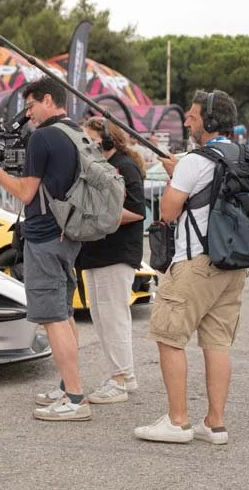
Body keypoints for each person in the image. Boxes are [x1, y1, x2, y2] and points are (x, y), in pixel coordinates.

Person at [134, 90, 247, 445]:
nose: (186, 122)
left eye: (193, 116)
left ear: (209, 122)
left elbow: (168, 212)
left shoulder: (195, 161)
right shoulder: (242, 155)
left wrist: (175, 176)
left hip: (195, 262)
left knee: (168, 337)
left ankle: (177, 421)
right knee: (218, 343)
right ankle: (215, 424)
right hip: (232, 264)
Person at [0, 76, 89, 421]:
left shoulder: (43, 137)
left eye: (31, 105)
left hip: (45, 236)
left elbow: (26, 192)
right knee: (65, 314)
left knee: (53, 318)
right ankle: (68, 387)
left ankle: (75, 399)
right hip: (68, 233)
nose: (28, 114)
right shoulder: (75, 132)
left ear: (48, 100)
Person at [78, 118, 146, 404]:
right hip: (97, 252)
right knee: (102, 318)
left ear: (106, 140)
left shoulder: (124, 167)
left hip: (116, 252)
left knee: (113, 317)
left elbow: (137, 210)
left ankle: (120, 378)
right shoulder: (99, 167)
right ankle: (122, 375)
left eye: (89, 139)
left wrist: (98, 217)